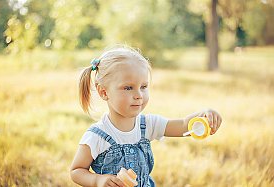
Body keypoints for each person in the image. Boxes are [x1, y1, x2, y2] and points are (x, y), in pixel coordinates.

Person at [70, 44, 222, 187]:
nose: (139, 95)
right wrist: (97, 180)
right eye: (128, 88)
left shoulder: (148, 124)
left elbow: (183, 126)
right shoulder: (97, 136)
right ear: (104, 92)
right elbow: (76, 171)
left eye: (143, 86)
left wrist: (203, 115)